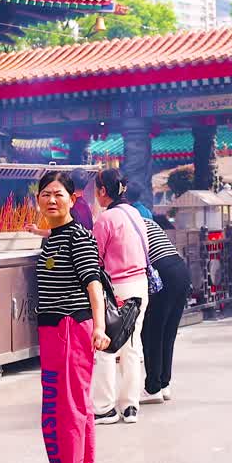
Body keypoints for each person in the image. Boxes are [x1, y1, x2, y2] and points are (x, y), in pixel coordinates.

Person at [34, 170, 108, 463]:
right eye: (46, 194)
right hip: (52, 330)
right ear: (38, 199)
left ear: (71, 199)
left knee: (69, 407)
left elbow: (94, 283)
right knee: (65, 406)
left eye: (58, 194)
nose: (52, 200)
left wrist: (100, 328)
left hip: (70, 327)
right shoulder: (52, 237)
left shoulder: (78, 236)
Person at [90, 169, 150, 424]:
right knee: (132, 346)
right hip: (141, 285)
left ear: (103, 191)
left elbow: (95, 258)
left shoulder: (105, 219)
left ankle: (104, 408)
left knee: (105, 347)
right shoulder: (134, 213)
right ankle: (130, 406)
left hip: (119, 289)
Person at [139, 214, 190, 405]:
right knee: (167, 333)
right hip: (180, 270)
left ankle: (153, 388)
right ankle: (163, 383)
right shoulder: (147, 222)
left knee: (152, 332)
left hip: (163, 274)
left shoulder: (127, 226)